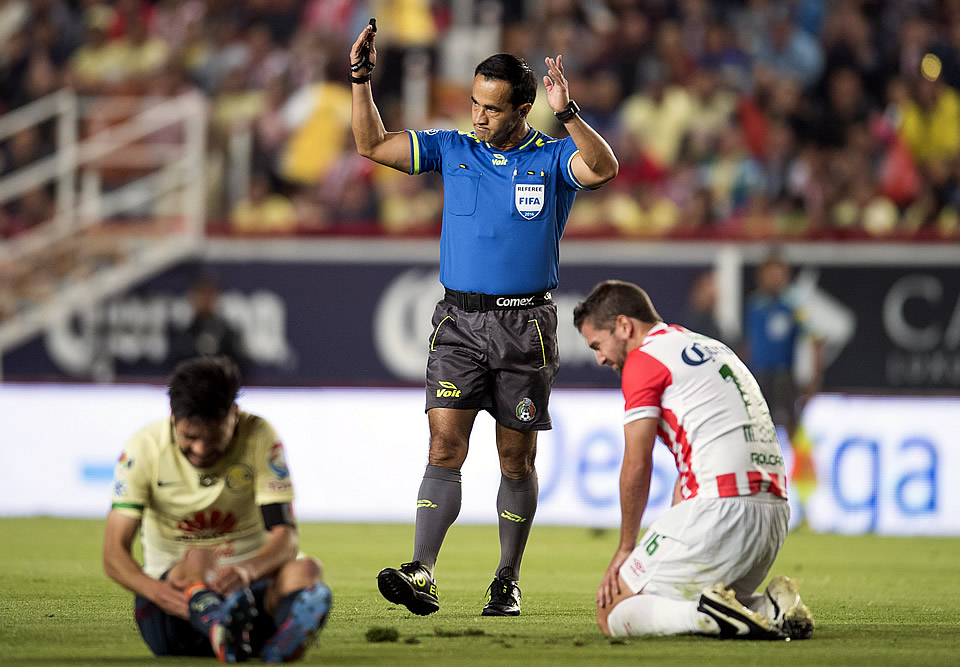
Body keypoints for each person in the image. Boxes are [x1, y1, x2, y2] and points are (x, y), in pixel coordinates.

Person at [349, 20, 618, 617]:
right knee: (444, 443)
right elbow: (372, 146)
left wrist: (568, 113)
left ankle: (506, 578)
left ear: (524, 107)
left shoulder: (551, 159)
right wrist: (361, 80)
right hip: (459, 324)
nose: (478, 117)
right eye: (474, 103)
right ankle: (421, 570)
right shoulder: (454, 150)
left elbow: (604, 169)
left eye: (492, 109)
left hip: (525, 328)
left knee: (514, 458)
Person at [572, 280, 813, 640]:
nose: (600, 358)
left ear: (624, 326)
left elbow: (637, 464)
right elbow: (689, 472)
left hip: (722, 509)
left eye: (598, 344)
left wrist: (627, 548)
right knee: (683, 589)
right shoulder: (710, 347)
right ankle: (770, 607)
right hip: (774, 514)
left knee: (612, 611)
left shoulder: (643, 360)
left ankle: (706, 613)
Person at [102, 356, 331, 663]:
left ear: (233, 415)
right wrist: (153, 591)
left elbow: (285, 537)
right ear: (173, 416)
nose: (200, 450)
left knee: (307, 570)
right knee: (200, 556)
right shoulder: (143, 449)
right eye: (190, 437)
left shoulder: (260, 437)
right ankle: (217, 621)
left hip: (248, 588)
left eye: (212, 438)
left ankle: (277, 643)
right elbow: (114, 552)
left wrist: (245, 571)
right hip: (175, 607)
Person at [743, 251, 823, 443]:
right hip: (758, 376)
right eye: (769, 273)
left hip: (784, 376)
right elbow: (748, 342)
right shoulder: (754, 304)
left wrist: (814, 378)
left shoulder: (794, 305)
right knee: (755, 427)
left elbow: (815, 339)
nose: (773, 279)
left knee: (792, 425)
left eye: (778, 273)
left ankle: (799, 470)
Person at [169, 274, 249, 378]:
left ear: (216, 296)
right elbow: (174, 369)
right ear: (192, 295)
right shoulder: (183, 334)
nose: (205, 299)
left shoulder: (228, 333)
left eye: (209, 294)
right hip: (190, 390)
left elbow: (239, 367)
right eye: (201, 293)